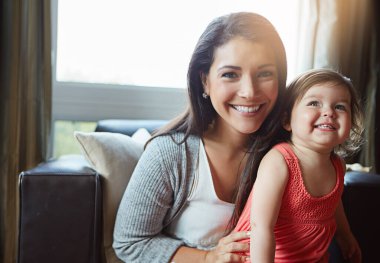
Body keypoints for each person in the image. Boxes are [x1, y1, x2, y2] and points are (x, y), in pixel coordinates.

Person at [113, 12, 287, 263]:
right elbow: (130, 243)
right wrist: (208, 258)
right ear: (205, 81)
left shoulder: (287, 152)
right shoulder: (170, 153)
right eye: (230, 74)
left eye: (265, 74)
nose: (249, 92)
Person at [234, 68, 364, 262]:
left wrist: (345, 235)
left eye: (340, 107)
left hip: (311, 256)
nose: (329, 112)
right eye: (314, 103)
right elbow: (261, 227)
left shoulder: (337, 165)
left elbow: (333, 204)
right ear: (287, 120)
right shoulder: (280, 161)